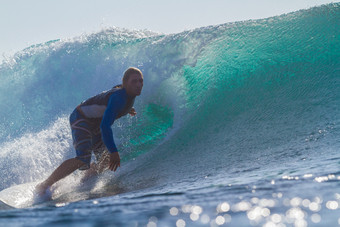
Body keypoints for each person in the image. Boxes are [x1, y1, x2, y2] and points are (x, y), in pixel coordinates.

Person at [36, 67, 144, 196]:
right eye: (134, 81)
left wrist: (127, 109)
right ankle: (44, 185)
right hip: (81, 118)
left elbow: (114, 90)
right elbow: (105, 126)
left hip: (95, 123)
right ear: (125, 83)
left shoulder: (126, 94)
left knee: (106, 158)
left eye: (140, 81)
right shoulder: (118, 98)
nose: (138, 85)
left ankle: (84, 181)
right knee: (83, 159)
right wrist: (114, 151)